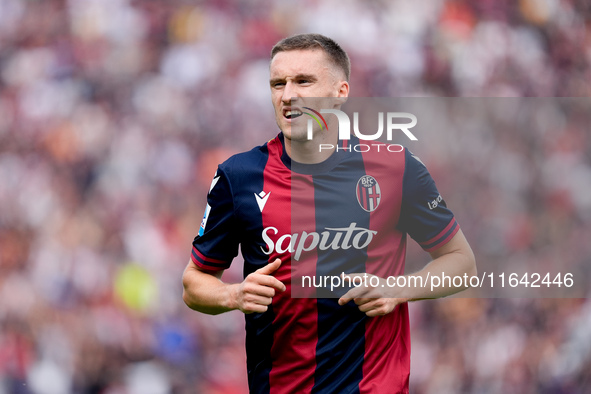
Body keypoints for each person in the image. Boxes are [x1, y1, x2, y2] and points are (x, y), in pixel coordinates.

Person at [182, 33, 476, 394]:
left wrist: (399, 288)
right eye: (278, 83)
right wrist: (233, 295)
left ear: (341, 92)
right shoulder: (238, 176)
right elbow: (194, 283)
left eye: (304, 81)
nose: (288, 95)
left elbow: (461, 263)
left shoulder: (396, 167)